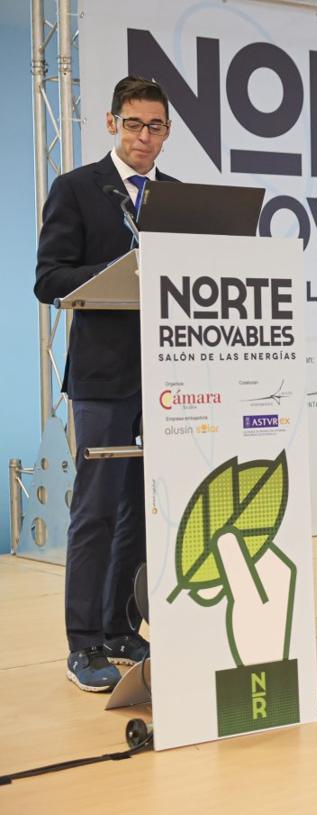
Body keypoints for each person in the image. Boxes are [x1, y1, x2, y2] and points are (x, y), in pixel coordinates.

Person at [34, 77, 177, 692]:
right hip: (103, 377)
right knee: (94, 511)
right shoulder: (76, 189)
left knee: (142, 513)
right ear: (111, 122)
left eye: (157, 127)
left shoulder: (175, 198)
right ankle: (84, 642)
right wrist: (123, 271)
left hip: (171, 374)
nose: (146, 137)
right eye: (135, 124)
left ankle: (122, 626)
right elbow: (50, 279)